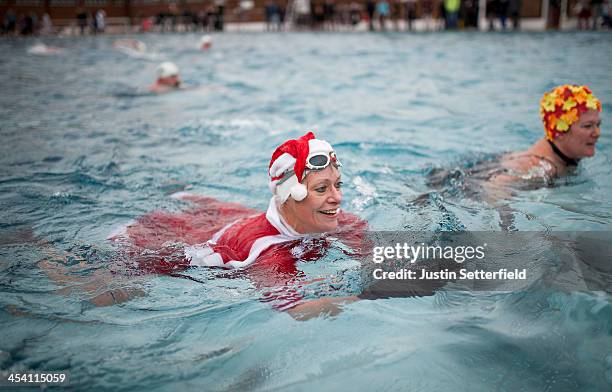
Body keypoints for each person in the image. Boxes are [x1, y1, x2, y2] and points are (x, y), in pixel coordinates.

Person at [40, 133, 367, 313]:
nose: (337, 197)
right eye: (322, 189)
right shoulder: (266, 253)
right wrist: (378, 295)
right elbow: (297, 310)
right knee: (109, 293)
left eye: (338, 185)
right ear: (289, 197)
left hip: (218, 218)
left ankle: (180, 193)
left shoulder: (333, 218)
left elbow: (370, 244)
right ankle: (36, 249)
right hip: (162, 245)